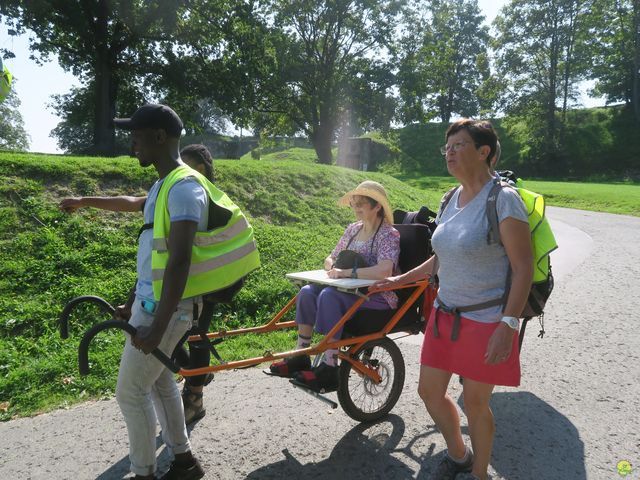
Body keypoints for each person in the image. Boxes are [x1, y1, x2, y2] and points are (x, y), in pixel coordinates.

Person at [374, 120, 532, 480]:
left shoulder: (503, 199)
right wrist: (399, 279)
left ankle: (480, 474)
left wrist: (508, 325)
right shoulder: (450, 198)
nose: (449, 152)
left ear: (484, 151)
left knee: (476, 404)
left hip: (488, 318)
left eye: (458, 145)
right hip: (445, 315)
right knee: (429, 392)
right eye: (446, 147)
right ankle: (459, 455)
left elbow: (523, 267)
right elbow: (441, 256)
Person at [59, 143, 216, 424]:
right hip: (169, 285)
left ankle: (195, 395)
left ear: (200, 169)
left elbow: (181, 260)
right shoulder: (168, 191)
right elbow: (133, 206)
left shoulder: (193, 193)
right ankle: (188, 400)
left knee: (194, 339)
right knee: (173, 350)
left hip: (199, 285)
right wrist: (84, 201)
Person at [269, 180, 401, 391]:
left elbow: (384, 270)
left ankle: (330, 367)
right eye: (354, 203)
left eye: (361, 203)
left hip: (378, 295)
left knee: (329, 296)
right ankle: (301, 354)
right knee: (307, 292)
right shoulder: (352, 230)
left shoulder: (389, 234)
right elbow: (331, 257)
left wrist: (347, 272)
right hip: (348, 288)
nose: (356, 207)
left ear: (377, 206)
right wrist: (332, 266)